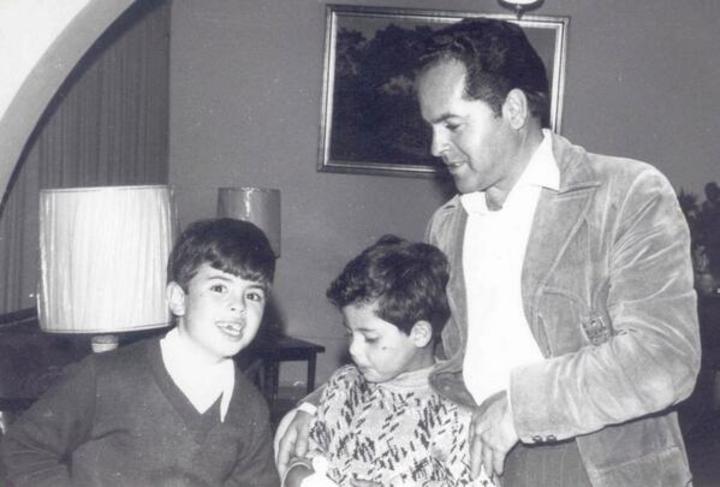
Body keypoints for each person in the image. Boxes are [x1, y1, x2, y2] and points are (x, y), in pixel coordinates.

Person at [278, 18, 700, 487]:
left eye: (452, 125)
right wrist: (321, 405)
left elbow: (665, 359)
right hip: (471, 459)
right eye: (431, 127)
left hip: (594, 464)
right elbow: (416, 348)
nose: (436, 146)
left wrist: (521, 408)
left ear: (514, 109)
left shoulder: (627, 194)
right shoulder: (448, 223)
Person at [1, 218, 281, 486]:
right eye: (219, 287)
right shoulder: (106, 376)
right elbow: (21, 450)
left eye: (253, 295)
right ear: (178, 299)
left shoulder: (251, 407)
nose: (238, 306)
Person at [283, 235, 492, 487]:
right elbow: (304, 460)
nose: (354, 350)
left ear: (419, 334)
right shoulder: (343, 387)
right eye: (349, 333)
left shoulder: (455, 413)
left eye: (370, 338)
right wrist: (301, 475)